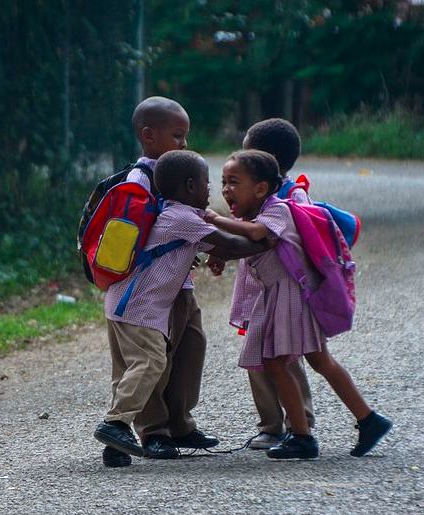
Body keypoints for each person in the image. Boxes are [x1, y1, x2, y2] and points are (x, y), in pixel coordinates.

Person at [204, 149, 391, 460]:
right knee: (317, 361)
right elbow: (248, 244)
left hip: (290, 297)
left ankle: (302, 436)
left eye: (233, 182)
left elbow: (256, 234)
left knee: (278, 363)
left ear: (261, 188)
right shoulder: (253, 215)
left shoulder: (278, 210)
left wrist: (214, 219)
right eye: (223, 182)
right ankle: (369, 419)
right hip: (281, 297)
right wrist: (220, 254)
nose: (225, 189)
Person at [94, 150, 272, 464]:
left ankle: (116, 447)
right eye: (206, 184)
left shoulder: (174, 214)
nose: (210, 190)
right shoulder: (182, 218)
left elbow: (214, 245)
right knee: (151, 362)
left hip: (123, 302)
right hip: (138, 308)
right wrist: (268, 239)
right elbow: (231, 246)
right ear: (190, 186)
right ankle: (115, 424)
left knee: (129, 371)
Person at [101, 97, 214, 468]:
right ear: (148, 136)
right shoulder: (142, 181)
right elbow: (138, 235)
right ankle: (153, 431)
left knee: (189, 348)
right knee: (151, 359)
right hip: (146, 291)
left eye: (185, 136)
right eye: (177, 135)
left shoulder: (178, 173)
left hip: (178, 284)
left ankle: (179, 423)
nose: (184, 143)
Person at [208, 118, 316, 450]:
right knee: (256, 355)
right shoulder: (248, 195)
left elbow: (281, 239)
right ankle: (271, 425)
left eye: (246, 153)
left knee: (286, 357)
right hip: (257, 290)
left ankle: (300, 422)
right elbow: (241, 233)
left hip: (284, 291)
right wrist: (222, 252)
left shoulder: (292, 197)